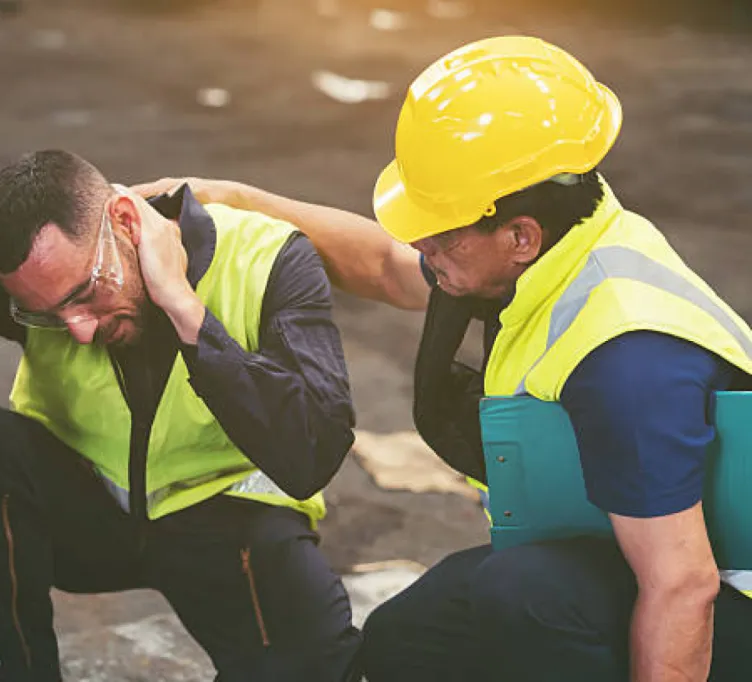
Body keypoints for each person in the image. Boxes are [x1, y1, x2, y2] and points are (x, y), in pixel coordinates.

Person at [134, 35, 752, 682]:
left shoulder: (628, 358)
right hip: (617, 551)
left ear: (519, 236)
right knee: (408, 643)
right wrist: (235, 199)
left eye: (440, 234)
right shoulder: (551, 241)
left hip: (722, 602)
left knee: (523, 595)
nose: (421, 245)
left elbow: (682, 587)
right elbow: (386, 266)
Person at [0, 149, 363, 682]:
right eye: (49, 315)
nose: (79, 328)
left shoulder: (267, 259)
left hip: (226, 524)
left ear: (125, 221)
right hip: (89, 516)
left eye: (86, 293)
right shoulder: (32, 269)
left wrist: (185, 310)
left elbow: (311, 453)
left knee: (316, 664)